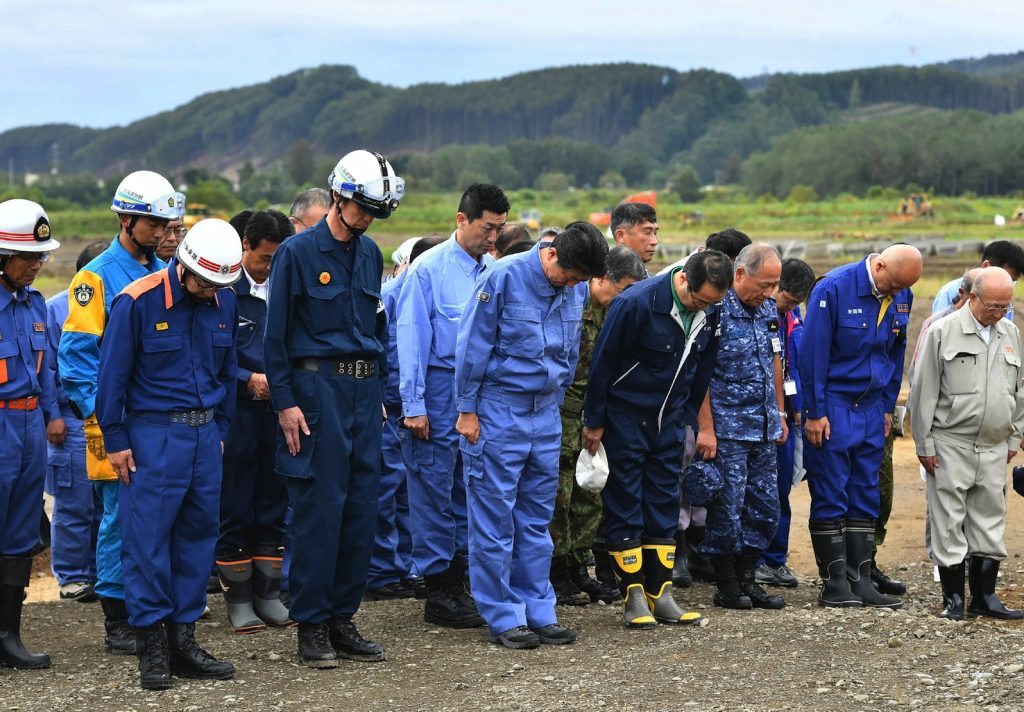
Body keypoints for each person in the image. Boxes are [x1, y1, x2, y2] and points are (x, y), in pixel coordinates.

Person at [265, 149, 401, 668]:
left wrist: (379, 391)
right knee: (320, 512)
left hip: (363, 395)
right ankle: (312, 624)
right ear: (339, 197)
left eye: (375, 212)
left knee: (362, 510)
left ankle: (343, 617)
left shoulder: (369, 253)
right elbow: (275, 338)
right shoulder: (296, 253)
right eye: (362, 208)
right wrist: (285, 403)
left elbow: (376, 328)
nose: (367, 219)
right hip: (316, 392)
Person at [97, 219, 241, 690]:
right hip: (152, 436)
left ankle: (184, 639)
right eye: (204, 283)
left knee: (198, 539)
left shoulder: (224, 298)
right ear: (183, 266)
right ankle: (152, 647)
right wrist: (115, 439)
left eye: (218, 286)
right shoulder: (136, 302)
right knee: (148, 542)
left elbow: (228, 372)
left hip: (205, 436)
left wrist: (221, 429)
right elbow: (111, 379)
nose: (210, 292)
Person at [455, 221, 608, 648]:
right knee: (494, 519)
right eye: (569, 276)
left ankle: (538, 609)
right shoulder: (502, 278)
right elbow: (471, 346)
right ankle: (503, 615)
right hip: (498, 409)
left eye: (580, 281)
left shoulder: (575, 285)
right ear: (551, 253)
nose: (572, 286)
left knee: (537, 520)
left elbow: (569, 350)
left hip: (546, 413)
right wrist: (467, 411)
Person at [59, 170, 184, 656]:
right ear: (125, 219)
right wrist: (105, 420)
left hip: (161, 420)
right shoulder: (95, 277)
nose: (161, 233)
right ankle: (118, 618)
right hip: (116, 423)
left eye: (165, 225)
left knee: (161, 516)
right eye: (152, 224)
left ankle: (155, 606)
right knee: (117, 518)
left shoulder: (169, 272)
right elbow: (77, 359)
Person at [583, 249, 733, 628]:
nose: (705, 308)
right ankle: (633, 595)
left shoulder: (711, 311)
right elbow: (603, 363)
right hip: (625, 419)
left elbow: (703, 368)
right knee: (625, 503)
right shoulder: (636, 303)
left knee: (664, 503)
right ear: (683, 279)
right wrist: (595, 421)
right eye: (700, 300)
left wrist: (686, 418)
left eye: (712, 303)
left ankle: (660, 592)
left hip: (669, 423)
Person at [396, 183, 508, 629]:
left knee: (469, 488)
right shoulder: (428, 271)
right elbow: (411, 341)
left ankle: (462, 581)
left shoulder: (493, 269)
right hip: (438, 388)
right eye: (487, 228)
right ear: (462, 220)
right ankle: (439, 589)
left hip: (477, 394)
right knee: (431, 490)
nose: (493, 238)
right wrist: (413, 405)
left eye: (499, 230)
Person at [800, 244, 922, 610]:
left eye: (902, 288)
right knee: (831, 489)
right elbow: (813, 353)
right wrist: (815, 411)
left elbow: (896, 353)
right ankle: (835, 583)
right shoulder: (834, 288)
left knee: (866, 491)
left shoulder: (901, 294)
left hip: (872, 408)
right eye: (893, 285)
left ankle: (861, 579)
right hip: (834, 405)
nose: (896, 293)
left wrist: (887, 408)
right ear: (879, 265)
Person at [910, 267, 1024, 621]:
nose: (1000, 313)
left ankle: (984, 597)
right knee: (948, 521)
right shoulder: (942, 331)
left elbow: (1019, 389)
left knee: (990, 520)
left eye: (1006, 306)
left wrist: (1014, 435)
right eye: (993, 306)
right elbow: (923, 391)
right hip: (951, 443)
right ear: (973, 297)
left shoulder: (1010, 333)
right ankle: (954, 600)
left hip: (994, 445)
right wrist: (924, 443)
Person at [550, 245, 646, 607]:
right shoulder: (571, 304)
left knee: (589, 496)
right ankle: (556, 570)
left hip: (594, 415)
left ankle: (578, 564)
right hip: (563, 414)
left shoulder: (614, 313)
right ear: (603, 278)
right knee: (559, 496)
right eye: (622, 288)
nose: (624, 297)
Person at [696, 244, 788, 610]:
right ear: (739, 274)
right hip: (727, 430)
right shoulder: (715, 310)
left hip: (763, 427)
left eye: (775, 285)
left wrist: (780, 413)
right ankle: (727, 584)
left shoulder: (767, 310)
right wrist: (706, 428)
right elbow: (699, 374)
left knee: (766, 508)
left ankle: (749, 578)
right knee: (727, 511)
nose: (770, 292)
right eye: (765, 284)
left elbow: (775, 361)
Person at [659, 228, 753, 587]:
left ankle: (698, 551)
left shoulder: (723, 296)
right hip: (682, 402)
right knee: (680, 476)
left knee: (703, 478)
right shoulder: (682, 285)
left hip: (708, 403)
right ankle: (677, 552)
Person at [217, 211, 294, 634]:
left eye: (276, 260)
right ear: (245, 245)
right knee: (235, 504)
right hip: (237, 413)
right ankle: (239, 598)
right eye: (264, 258)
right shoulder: (224, 290)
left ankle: (268, 594)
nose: (269, 267)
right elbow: (211, 355)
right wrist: (247, 379)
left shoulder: (287, 287)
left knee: (273, 500)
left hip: (278, 414)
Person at [367, 233, 444, 601]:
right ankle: (380, 571)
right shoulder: (390, 295)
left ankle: (405, 565)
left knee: (408, 494)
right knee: (385, 488)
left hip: (418, 405)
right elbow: (377, 351)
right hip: (389, 405)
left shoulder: (432, 291)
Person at [0, 199, 60, 670]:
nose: (36, 265)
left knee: (21, 533)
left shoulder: (35, 304)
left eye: (40, 256)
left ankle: (8, 635)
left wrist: (53, 414)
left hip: (29, 427)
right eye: (26, 257)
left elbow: (47, 372)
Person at [45, 241, 107, 602]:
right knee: (73, 504)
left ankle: (100, 573)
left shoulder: (118, 305)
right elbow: (46, 370)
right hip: (70, 421)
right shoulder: (55, 310)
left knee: (105, 503)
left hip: (108, 419)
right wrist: (52, 416)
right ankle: (71, 576)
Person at [756, 258, 815, 588]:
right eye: (788, 299)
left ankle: (775, 560)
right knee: (755, 493)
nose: (790, 306)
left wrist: (799, 408)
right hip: (758, 417)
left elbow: (797, 366)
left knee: (781, 491)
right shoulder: (756, 314)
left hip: (787, 419)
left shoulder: (793, 316)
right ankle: (753, 561)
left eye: (795, 303)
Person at [931, 240, 1024, 317]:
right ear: (986, 266)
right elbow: (938, 329)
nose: (1007, 284)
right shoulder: (949, 293)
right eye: (1005, 278)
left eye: (1012, 282)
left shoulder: (1005, 304)